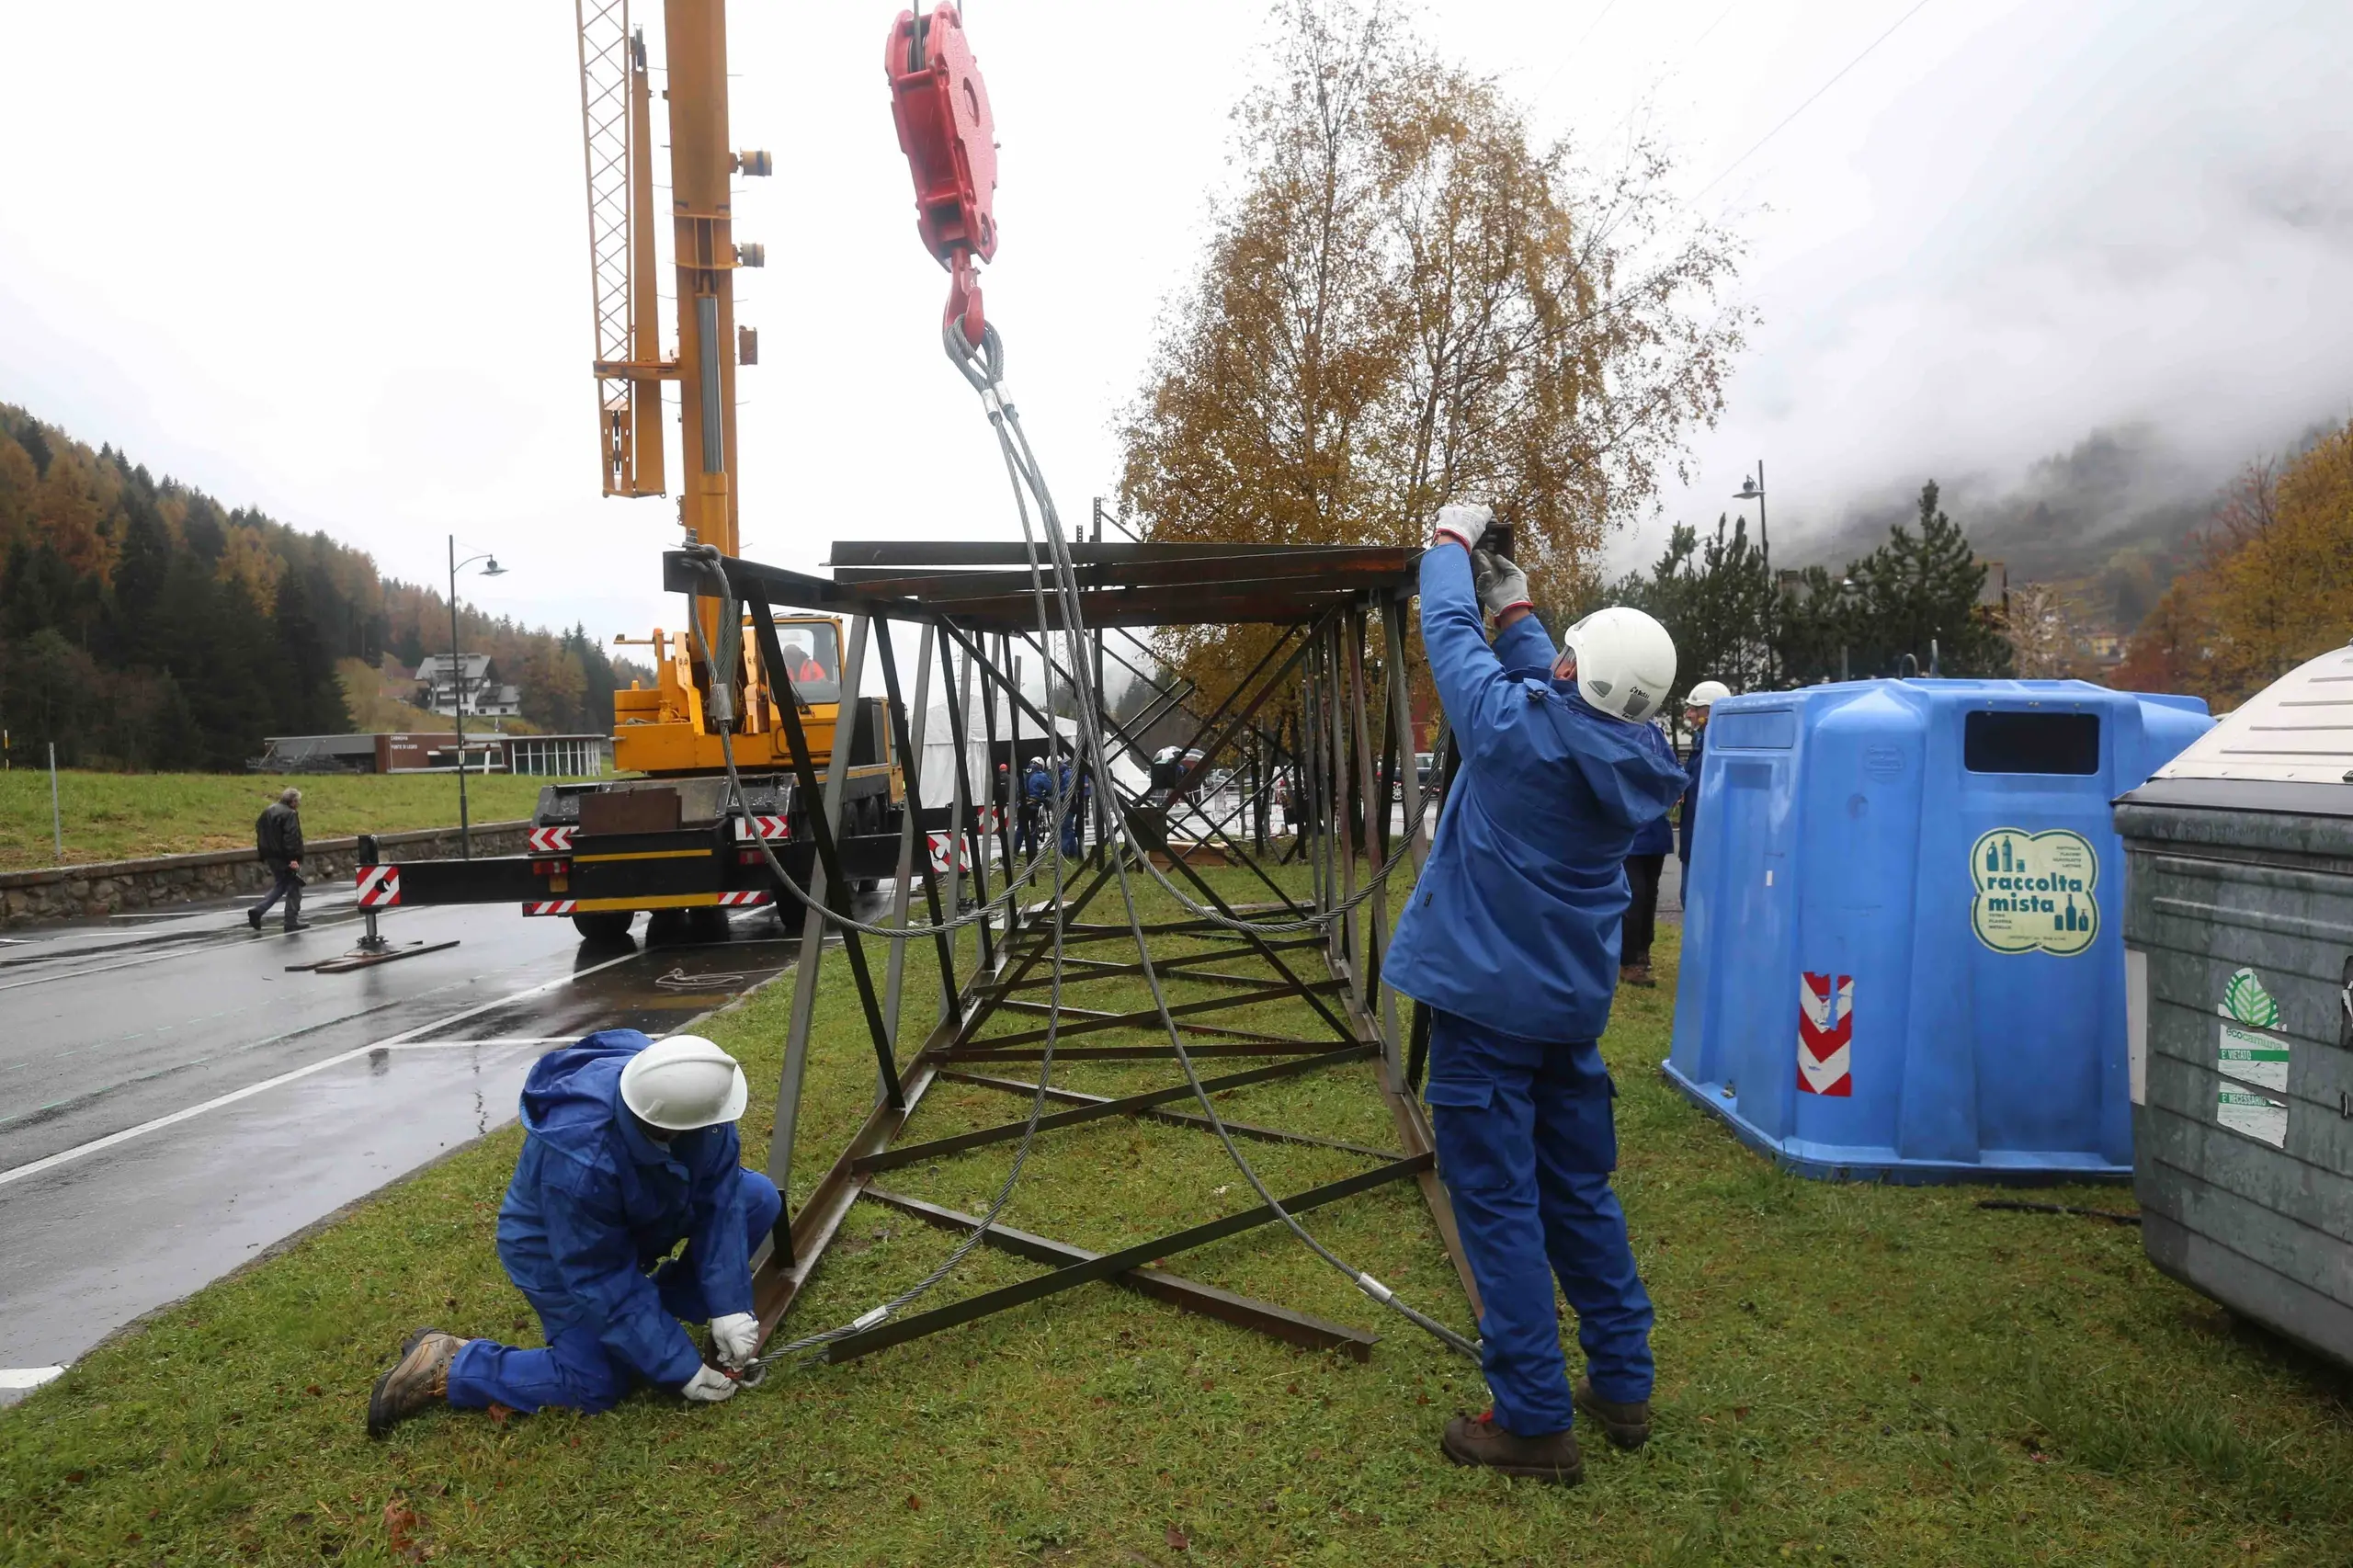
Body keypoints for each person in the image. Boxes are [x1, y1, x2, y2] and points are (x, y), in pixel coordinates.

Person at [1384, 504, 1688, 1486]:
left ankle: (1530, 1417)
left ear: (1570, 671)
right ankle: (1622, 1381)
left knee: (1499, 1206)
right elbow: (1545, 691)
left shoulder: (1515, 732)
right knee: (1576, 1192)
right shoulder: (1634, 756)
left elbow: (1448, 637)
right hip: (1565, 1013)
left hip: (1482, 1014)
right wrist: (1513, 600)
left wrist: (1449, 540)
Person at [365, 1031, 779, 1436]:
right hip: (551, 1249)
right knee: (597, 1383)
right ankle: (451, 1364)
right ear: (662, 1124)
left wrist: (730, 1306)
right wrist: (678, 1366)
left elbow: (721, 1201)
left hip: (637, 1217)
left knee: (756, 1198)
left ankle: (647, 1326)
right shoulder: (581, 1158)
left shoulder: (696, 1101)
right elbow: (599, 1273)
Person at [1618, 718, 1684, 988]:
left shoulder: (1653, 729)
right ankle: (1628, 959)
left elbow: (1672, 768)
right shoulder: (1619, 728)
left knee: (1649, 895)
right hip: (1633, 832)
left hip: (1655, 831)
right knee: (1636, 895)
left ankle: (1643, 952)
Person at [1677, 680, 1730, 902]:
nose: (1688, 714)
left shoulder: (1716, 747)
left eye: (1693, 709)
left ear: (1708, 712)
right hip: (1695, 842)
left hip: (1705, 846)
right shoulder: (1703, 744)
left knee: (1697, 901)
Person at [248, 787, 311, 933]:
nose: (299, 804)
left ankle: (258, 911)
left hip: (271, 856)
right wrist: (293, 859)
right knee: (295, 887)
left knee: (281, 885)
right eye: (298, 801)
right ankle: (291, 921)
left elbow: (259, 830)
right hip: (285, 857)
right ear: (293, 801)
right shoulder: (290, 814)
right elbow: (291, 838)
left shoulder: (268, 811)